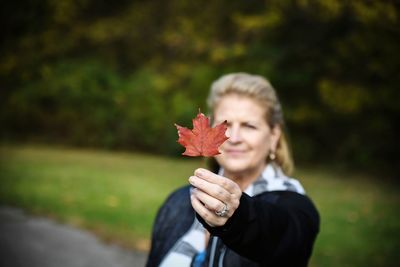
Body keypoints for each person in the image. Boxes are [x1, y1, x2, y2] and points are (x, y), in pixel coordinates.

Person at [146, 73, 320, 267]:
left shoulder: (295, 206)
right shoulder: (179, 202)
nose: (234, 138)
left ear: (274, 136)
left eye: (249, 126)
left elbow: (280, 234)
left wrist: (236, 217)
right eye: (225, 125)